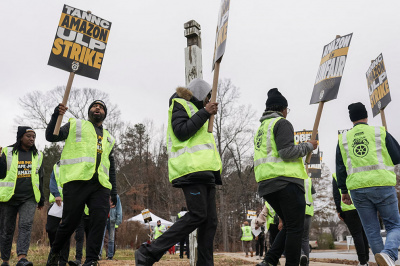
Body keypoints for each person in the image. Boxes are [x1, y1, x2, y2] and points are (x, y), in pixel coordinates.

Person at [135, 78, 222, 265]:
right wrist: (205, 112)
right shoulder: (180, 104)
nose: (209, 101)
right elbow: (181, 131)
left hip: (207, 172)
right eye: (207, 97)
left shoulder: (202, 111)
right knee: (198, 215)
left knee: (210, 222)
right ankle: (148, 252)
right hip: (191, 170)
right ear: (200, 94)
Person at [45, 100, 117, 266]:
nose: (97, 108)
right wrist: (57, 114)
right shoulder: (75, 125)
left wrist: (113, 192)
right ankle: (54, 253)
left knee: (99, 221)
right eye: (94, 106)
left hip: (101, 185)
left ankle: (91, 260)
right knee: (70, 223)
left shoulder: (109, 138)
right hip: (76, 181)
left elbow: (111, 166)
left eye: (101, 107)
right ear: (89, 112)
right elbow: (51, 136)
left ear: (105, 114)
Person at [253, 88, 318, 266]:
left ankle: (270, 261)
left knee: (289, 225)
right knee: (296, 228)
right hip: (286, 183)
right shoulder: (281, 123)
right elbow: (286, 152)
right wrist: (308, 146)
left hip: (267, 185)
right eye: (287, 110)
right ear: (283, 109)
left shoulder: (261, 128)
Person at [337, 102, 400, 266]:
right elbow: (397, 156)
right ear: (366, 116)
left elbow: (340, 167)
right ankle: (389, 254)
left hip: (357, 190)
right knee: (394, 225)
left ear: (351, 119)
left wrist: (344, 191)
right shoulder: (379, 132)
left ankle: (383, 261)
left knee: (371, 230)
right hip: (382, 185)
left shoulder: (343, 139)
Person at [0, 126, 45, 266]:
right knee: (7, 229)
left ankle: (22, 259)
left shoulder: (38, 155)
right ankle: (5, 260)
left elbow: (40, 178)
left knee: (25, 225)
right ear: (20, 137)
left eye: (33, 137)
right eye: (29, 136)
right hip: (9, 197)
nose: (32, 139)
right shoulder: (7, 152)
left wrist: (41, 198)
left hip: (29, 198)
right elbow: (1, 174)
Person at [332, 173, 369, 266]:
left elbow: (336, 195)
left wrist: (339, 210)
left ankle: (363, 262)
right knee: (363, 234)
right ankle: (366, 260)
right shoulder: (355, 169)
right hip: (361, 205)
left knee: (357, 235)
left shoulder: (336, 175)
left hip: (348, 208)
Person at [46, 162, 71, 266]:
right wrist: (56, 194)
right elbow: (52, 181)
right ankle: (55, 253)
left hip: (70, 202)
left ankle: (63, 260)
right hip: (57, 202)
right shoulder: (56, 165)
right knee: (50, 229)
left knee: (66, 231)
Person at [100, 194, 122, 260]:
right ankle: (99, 254)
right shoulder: (103, 194)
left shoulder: (116, 196)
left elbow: (119, 209)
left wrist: (118, 220)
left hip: (112, 220)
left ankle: (110, 256)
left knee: (111, 239)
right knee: (101, 237)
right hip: (103, 219)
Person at [300, 176, 315, 266]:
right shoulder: (308, 180)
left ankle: (301, 255)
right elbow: (314, 196)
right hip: (308, 211)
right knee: (305, 238)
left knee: (296, 235)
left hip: (297, 211)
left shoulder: (294, 176)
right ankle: (306, 263)